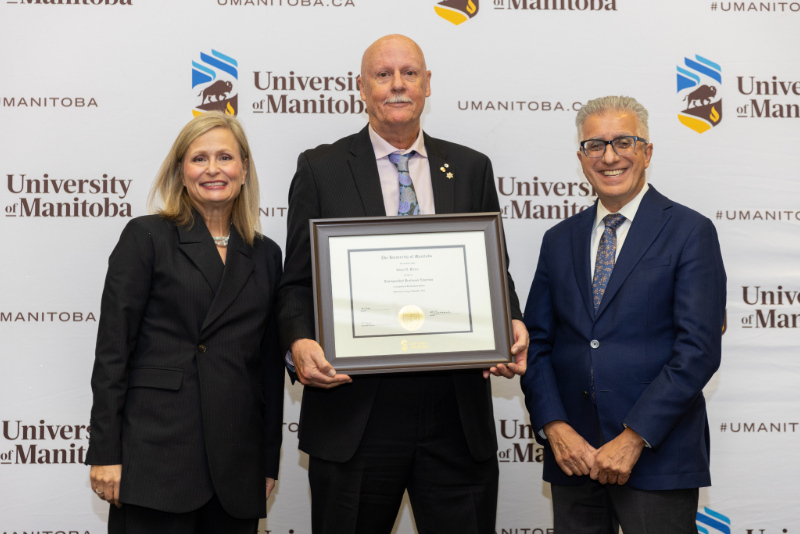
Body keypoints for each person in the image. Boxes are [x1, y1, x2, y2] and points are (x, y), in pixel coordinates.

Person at [276, 34, 529, 534]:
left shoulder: (472, 166)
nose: (397, 85)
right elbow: (296, 283)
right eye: (383, 74)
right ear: (362, 88)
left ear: (427, 84)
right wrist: (299, 340)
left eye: (409, 73)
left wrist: (511, 322)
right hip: (355, 412)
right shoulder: (320, 168)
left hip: (455, 414)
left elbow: (491, 270)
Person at [520, 96, 726, 533]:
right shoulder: (558, 239)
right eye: (594, 145)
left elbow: (698, 350)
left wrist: (634, 438)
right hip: (573, 459)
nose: (609, 156)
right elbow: (537, 343)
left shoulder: (690, 232)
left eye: (624, 142)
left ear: (647, 151)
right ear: (580, 157)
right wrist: (555, 426)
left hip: (656, 456)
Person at [86, 111, 285, 534]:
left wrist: (267, 462)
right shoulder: (147, 238)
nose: (213, 169)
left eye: (225, 158)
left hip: (236, 469)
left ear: (244, 169)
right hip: (156, 461)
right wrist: (105, 453)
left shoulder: (266, 255)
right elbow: (112, 354)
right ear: (181, 171)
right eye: (199, 159)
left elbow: (267, 370)